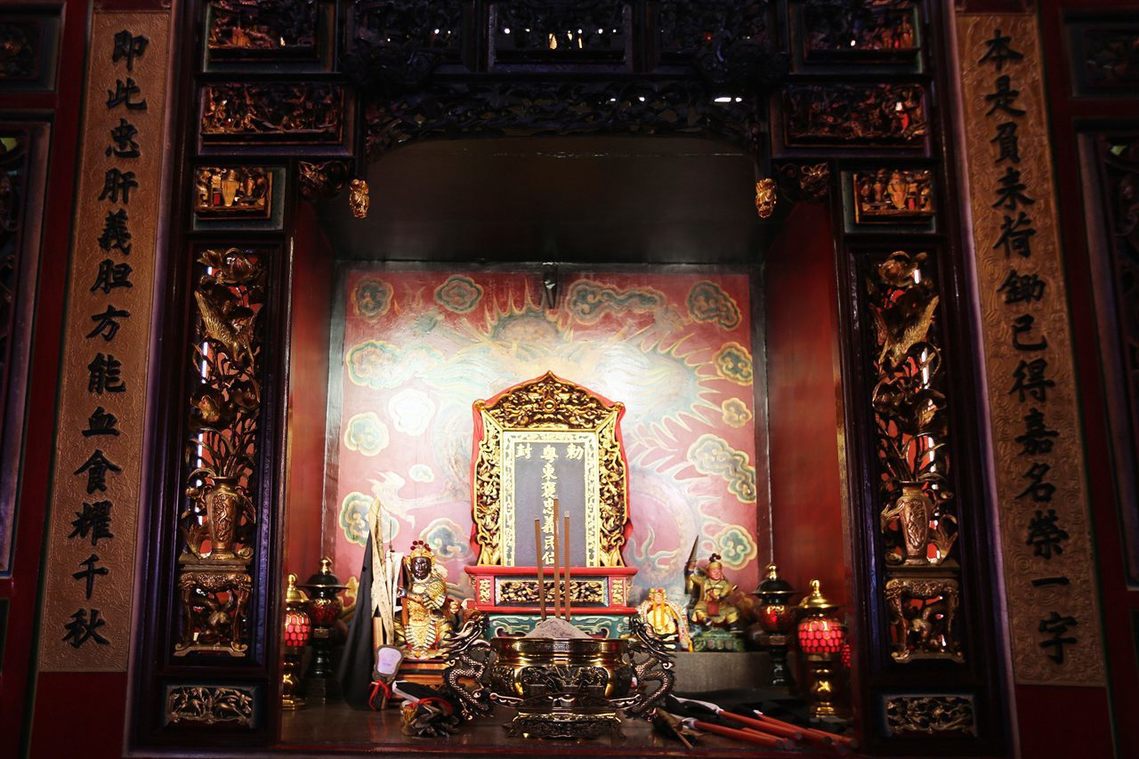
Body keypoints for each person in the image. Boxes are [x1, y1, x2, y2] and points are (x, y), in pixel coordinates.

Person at [398, 540, 456, 659]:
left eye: (424, 563)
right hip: (411, 619)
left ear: (430, 564)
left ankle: (443, 649)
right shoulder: (407, 582)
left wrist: (407, 594)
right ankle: (401, 648)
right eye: (416, 563)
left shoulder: (436, 582)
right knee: (395, 623)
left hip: (431, 620)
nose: (420, 567)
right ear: (411, 565)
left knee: (445, 627)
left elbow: (427, 600)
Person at [685, 553, 741, 629]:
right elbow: (692, 577)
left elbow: (726, 591)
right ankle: (706, 621)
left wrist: (718, 597)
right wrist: (691, 568)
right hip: (705, 604)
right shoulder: (703, 581)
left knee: (732, 610)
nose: (717, 573)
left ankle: (733, 626)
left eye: (718, 571)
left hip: (721, 605)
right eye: (714, 571)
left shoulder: (725, 583)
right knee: (698, 610)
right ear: (709, 572)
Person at [636, 587, 693, 651]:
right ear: (653, 598)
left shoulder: (668, 606)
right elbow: (640, 612)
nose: (658, 599)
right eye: (657, 597)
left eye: (660, 597)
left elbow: (677, 615)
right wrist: (648, 608)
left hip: (666, 627)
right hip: (652, 625)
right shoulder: (647, 606)